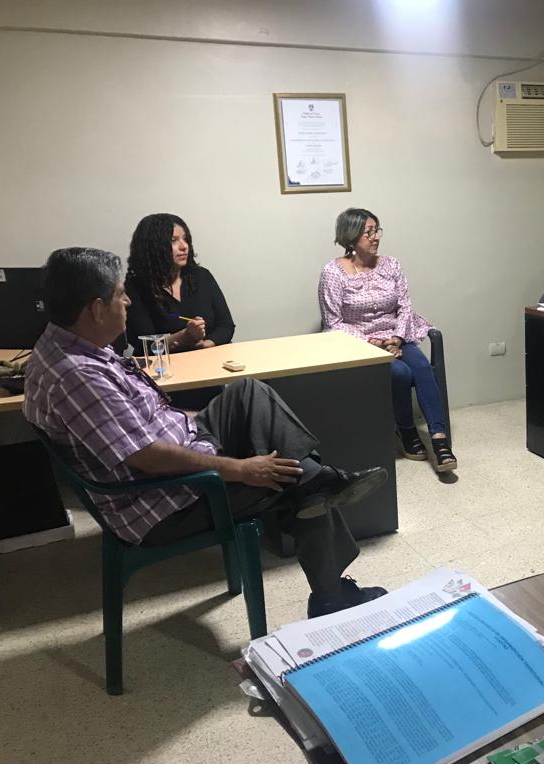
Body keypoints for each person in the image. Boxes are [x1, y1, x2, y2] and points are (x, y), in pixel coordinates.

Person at [24, 247, 388, 618]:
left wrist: (198, 420)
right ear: (97, 309)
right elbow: (148, 457)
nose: (127, 301)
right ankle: (329, 587)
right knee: (291, 478)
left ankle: (314, 482)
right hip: (162, 500)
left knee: (248, 393)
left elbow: (140, 422)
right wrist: (241, 469)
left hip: (174, 449)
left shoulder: (64, 346)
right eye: (120, 295)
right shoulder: (78, 375)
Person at [319, 208, 457, 472]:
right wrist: (374, 344)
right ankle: (406, 430)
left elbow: (405, 306)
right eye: (368, 232)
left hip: (396, 336)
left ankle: (439, 440)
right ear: (351, 236)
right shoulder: (333, 273)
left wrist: (396, 337)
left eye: (377, 230)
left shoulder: (391, 265)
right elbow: (333, 322)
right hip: (360, 345)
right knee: (400, 374)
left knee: (422, 368)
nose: (375, 237)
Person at [124, 213, 235, 408]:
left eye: (185, 239)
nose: (184, 246)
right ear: (153, 247)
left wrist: (206, 344)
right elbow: (143, 344)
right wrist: (184, 337)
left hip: (206, 375)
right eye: (174, 241)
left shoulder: (201, 277)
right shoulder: (136, 288)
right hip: (163, 385)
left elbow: (226, 325)